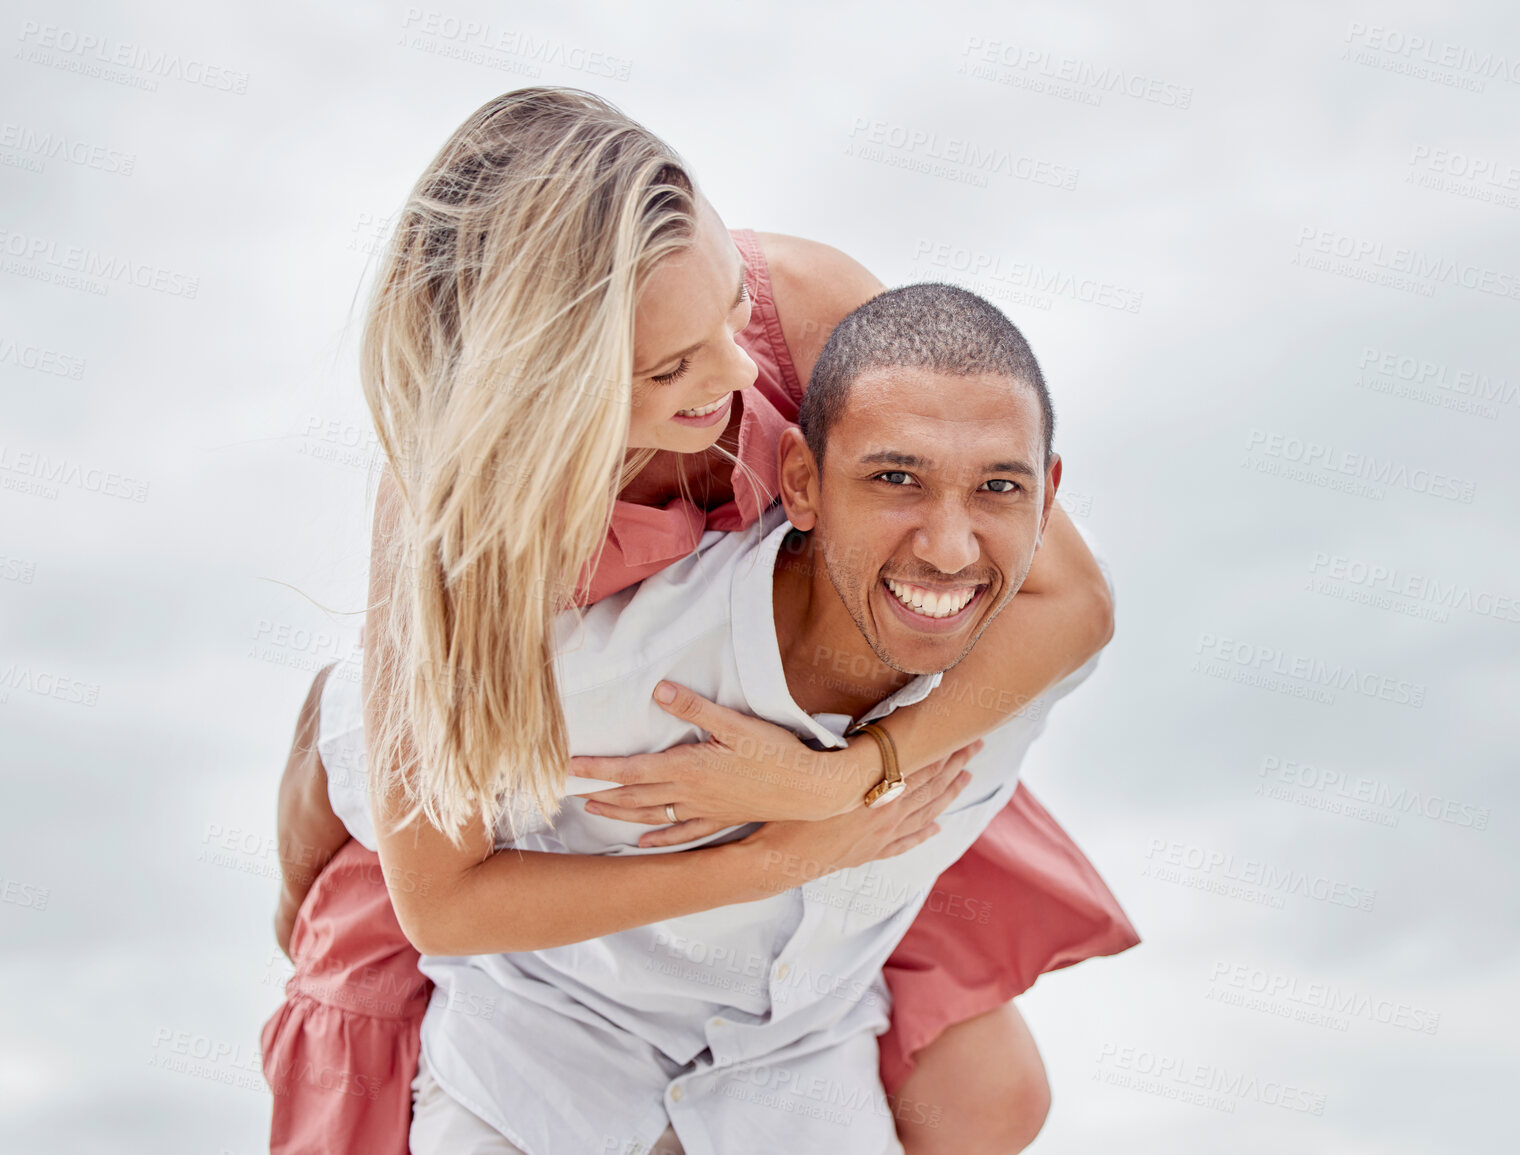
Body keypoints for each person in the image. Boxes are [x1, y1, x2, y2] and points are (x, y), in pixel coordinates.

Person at [262, 87, 1136, 1155]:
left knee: (988, 1097)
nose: (735, 375)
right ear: (543, 393)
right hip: (576, 770)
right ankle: (340, 730)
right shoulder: (453, 510)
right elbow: (446, 898)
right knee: (368, 999)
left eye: (725, 312)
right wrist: (778, 856)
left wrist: (840, 781)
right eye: (670, 368)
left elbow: (1071, 598)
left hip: (824, 719)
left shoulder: (804, 308)